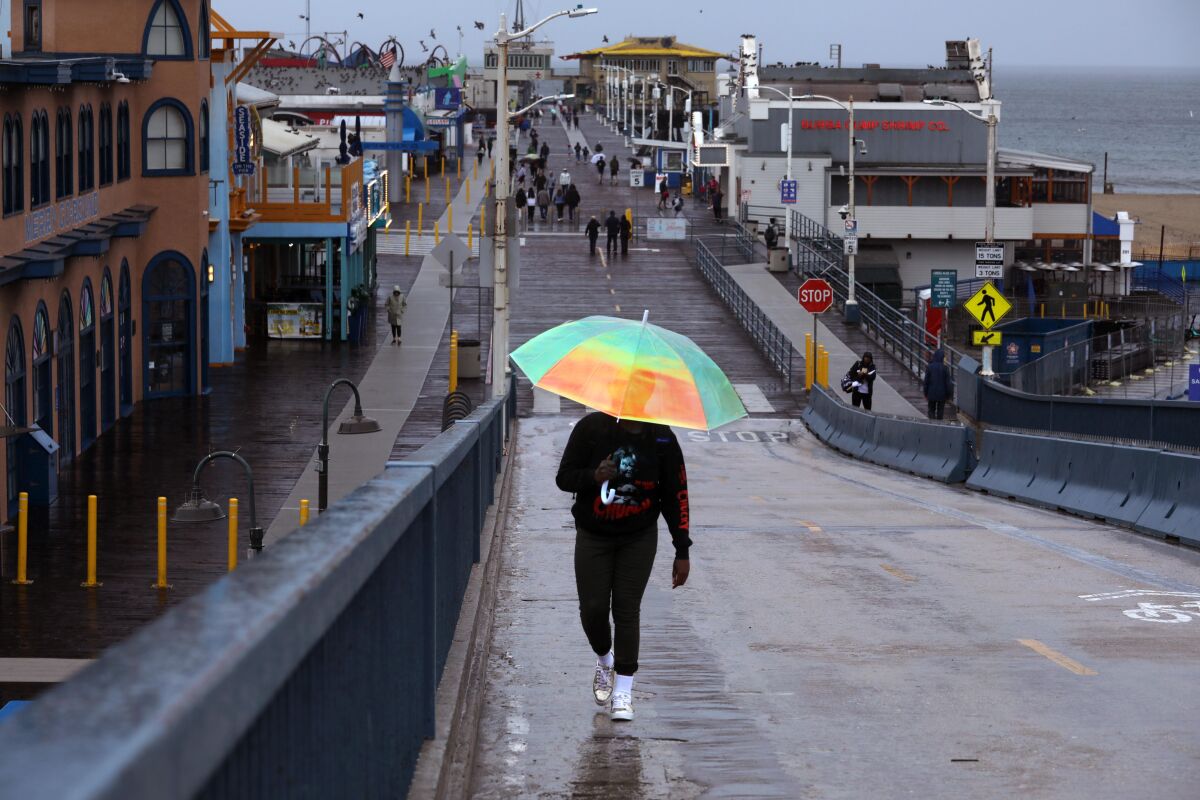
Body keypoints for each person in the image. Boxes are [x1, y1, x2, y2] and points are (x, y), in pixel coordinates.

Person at [556, 411, 691, 722]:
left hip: (639, 538)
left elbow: (676, 494)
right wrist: (594, 476)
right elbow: (564, 478)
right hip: (593, 535)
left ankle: (624, 691)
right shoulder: (592, 428)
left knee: (627, 610)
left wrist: (681, 548)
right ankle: (605, 659)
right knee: (592, 608)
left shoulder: (661, 438)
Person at [923, 349, 953, 420]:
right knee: (940, 411)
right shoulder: (945, 368)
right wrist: (949, 395)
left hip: (931, 393)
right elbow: (948, 383)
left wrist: (925, 393)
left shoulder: (930, 367)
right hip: (942, 395)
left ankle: (932, 424)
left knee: (931, 410)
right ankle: (939, 425)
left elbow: (926, 382)